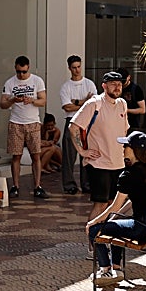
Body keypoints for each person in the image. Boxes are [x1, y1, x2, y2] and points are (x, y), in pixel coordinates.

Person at [86, 130, 146, 287]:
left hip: (141, 228)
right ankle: (116, 268)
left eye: (126, 146)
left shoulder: (128, 175)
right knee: (117, 226)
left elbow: (115, 205)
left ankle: (106, 270)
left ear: (134, 150)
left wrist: (93, 222)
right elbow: (130, 202)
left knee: (94, 230)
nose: (123, 149)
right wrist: (114, 217)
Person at [70, 71, 130, 220]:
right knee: (101, 204)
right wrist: (82, 151)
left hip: (118, 163)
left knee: (114, 204)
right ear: (104, 86)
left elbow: (124, 131)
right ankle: (92, 234)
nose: (117, 87)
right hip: (99, 164)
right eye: (113, 84)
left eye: (119, 84)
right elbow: (73, 127)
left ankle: (106, 233)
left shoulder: (122, 104)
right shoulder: (94, 103)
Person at [0, 56, 48, 199]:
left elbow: (43, 101)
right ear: (15, 68)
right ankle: (15, 186)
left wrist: (32, 100)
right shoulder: (10, 82)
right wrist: (13, 100)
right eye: (19, 72)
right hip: (16, 123)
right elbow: (2, 104)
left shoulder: (37, 81)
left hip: (33, 122)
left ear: (28, 68)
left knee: (36, 155)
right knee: (16, 155)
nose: (21, 75)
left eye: (24, 72)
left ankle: (37, 186)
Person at [58, 55, 97, 194]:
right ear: (69, 68)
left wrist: (76, 102)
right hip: (71, 121)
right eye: (74, 67)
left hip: (86, 122)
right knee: (69, 155)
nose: (77, 70)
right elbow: (67, 107)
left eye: (79, 67)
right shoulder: (66, 87)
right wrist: (84, 102)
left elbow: (94, 104)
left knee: (87, 154)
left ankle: (87, 184)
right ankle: (69, 185)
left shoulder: (89, 84)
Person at [122, 68, 146, 132]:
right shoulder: (117, 88)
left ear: (128, 77)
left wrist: (127, 110)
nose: (122, 83)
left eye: (124, 80)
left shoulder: (136, 89)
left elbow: (142, 110)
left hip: (133, 124)